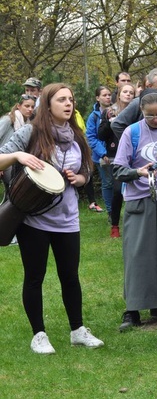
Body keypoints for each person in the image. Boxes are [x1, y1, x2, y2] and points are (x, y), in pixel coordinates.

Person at [0, 83, 104, 354]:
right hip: (34, 219)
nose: (68, 104)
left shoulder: (77, 135)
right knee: (35, 276)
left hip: (67, 219)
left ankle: (78, 330)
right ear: (47, 105)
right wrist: (18, 155)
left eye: (70, 99)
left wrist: (80, 178)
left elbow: (87, 172)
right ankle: (39, 334)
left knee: (70, 276)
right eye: (61, 100)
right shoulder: (30, 132)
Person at [112, 91, 157, 331]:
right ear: (141, 113)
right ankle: (132, 309)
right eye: (150, 115)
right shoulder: (131, 133)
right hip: (140, 197)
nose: (155, 119)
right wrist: (137, 172)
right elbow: (118, 169)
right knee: (138, 254)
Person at [98, 82, 136, 237]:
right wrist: (109, 122)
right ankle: (114, 225)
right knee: (117, 191)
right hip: (116, 155)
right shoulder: (109, 111)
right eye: (125, 91)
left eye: (131, 92)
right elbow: (101, 135)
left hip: (134, 155)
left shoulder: (138, 111)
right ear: (119, 94)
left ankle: (134, 224)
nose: (128, 94)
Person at [85, 86, 114, 216]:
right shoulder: (94, 116)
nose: (108, 97)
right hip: (101, 156)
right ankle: (110, 212)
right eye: (104, 95)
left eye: (109, 94)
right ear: (97, 98)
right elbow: (91, 137)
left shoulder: (116, 111)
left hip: (116, 152)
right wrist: (103, 153)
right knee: (108, 183)